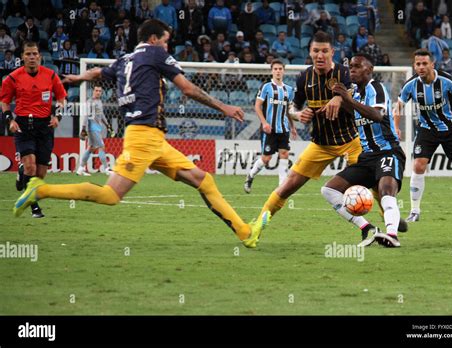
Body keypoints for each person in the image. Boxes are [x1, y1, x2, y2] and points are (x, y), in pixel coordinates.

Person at [13, 19, 268, 248]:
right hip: (144, 138)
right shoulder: (155, 53)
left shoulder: (125, 59)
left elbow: (98, 73)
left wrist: (79, 77)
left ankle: (246, 232)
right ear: (155, 39)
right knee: (110, 195)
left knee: (204, 180)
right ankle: (40, 190)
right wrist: (224, 106)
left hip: (151, 138)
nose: (167, 47)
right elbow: (188, 89)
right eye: (166, 41)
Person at [249, 31, 363, 247]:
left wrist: (340, 98)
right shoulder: (304, 78)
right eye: (316, 51)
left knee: (375, 183)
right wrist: (298, 115)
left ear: (332, 52)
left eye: (324, 51)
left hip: (351, 142)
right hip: (320, 145)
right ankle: (256, 226)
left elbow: (351, 96)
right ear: (310, 52)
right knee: (288, 185)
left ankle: (390, 229)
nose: (320, 55)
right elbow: (292, 107)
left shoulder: (343, 73)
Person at [321, 53, 406, 248]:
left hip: (388, 152)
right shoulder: (356, 94)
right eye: (350, 66)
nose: (352, 69)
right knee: (329, 190)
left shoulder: (376, 88)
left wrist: (346, 99)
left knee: (386, 192)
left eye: (357, 66)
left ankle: (392, 234)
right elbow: (354, 113)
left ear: (369, 70)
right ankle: (367, 228)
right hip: (366, 158)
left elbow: (376, 115)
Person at [394, 49, 452, 222]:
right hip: (426, 130)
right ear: (414, 66)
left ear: (432, 64)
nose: (421, 67)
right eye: (418, 64)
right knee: (418, 166)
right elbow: (398, 105)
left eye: (424, 63)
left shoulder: (446, 81)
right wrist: (395, 127)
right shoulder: (411, 85)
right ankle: (415, 211)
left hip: (451, 129)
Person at [1, 41, 67, 218]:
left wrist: (57, 116)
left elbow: (62, 99)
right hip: (23, 125)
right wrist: (10, 120)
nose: (31, 57)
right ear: (22, 57)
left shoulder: (51, 76)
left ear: (40, 56)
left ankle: (22, 174)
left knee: (40, 173)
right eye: (28, 54)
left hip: (44, 126)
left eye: (35, 54)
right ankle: (34, 207)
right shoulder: (13, 78)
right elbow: (4, 101)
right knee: (30, 165)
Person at [244, 59, 297, 193]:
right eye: (275, 69)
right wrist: (264, 123)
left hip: (284, 128)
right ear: (272, 71)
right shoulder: (266, 87)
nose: (278, 71)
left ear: (284, 71)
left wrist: (293, 127)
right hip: (269, 129)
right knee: (266, 159)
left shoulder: (289, 90)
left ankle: (281, 187)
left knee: (284, 154)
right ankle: (250, 175)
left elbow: (288, 111)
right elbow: (257, 106)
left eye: (280, 69)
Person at [76, 85, 114, 176]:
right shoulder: (90, 102)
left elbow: (102, 115)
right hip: (92, 128)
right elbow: (86, 115)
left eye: (100, 91)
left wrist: (108, 125)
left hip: (97, 127)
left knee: (91, 148)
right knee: (101, 146)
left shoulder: (99, 101)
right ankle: (107, 169)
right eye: (96, 90)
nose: (98, 92)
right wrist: (84, 128)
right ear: (93, 91)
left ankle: (80, 169)